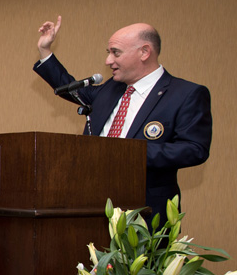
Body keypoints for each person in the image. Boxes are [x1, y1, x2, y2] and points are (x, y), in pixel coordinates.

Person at [34, 16, 212, 222]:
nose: (108, 61)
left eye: (115, 52)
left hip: (146, 211)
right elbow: (72, 90)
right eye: (108, 52)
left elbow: (194, 150)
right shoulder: (112, 88)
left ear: (144, 52)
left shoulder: (185, 94)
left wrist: (127, 153)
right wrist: (45, 51)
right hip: (91, 205)